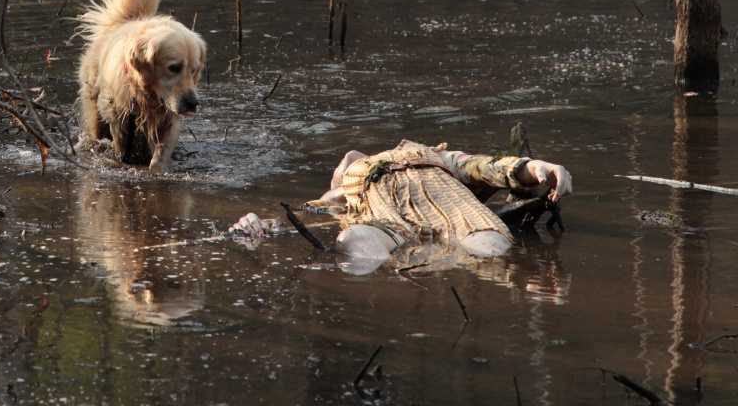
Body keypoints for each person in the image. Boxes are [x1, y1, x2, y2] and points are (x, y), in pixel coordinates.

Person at [231, 140, 572, 273]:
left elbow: (487, 167)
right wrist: (256, 223)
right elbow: (294, 219)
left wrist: (539, 167)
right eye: (343, 164)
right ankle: (431, 260)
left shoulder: (430, 158)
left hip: (450, 208)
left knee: (485, 240)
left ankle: (495, 269)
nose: (348, 157)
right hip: (381, 220)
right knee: (357, 244)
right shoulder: (339, 200)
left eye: (347, 163)